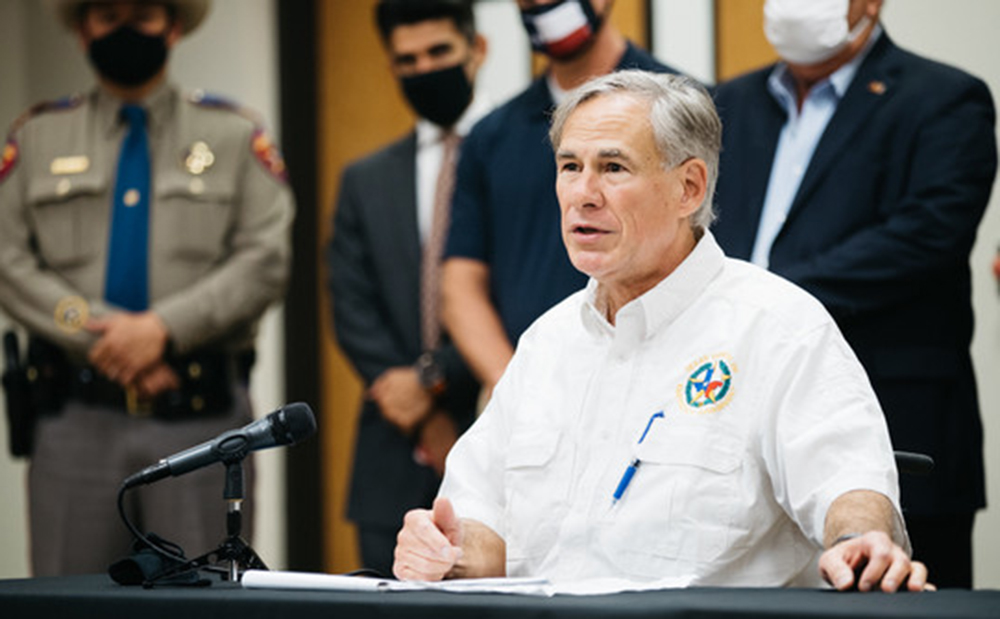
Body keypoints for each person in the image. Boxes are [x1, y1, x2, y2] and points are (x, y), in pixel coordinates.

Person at [393, 71, 933, 592]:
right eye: (569, 166)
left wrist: (861, 541)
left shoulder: (778, 326)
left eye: (613, 167)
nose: (582, 193)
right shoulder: (545, 345)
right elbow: (485, 527)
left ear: (688, 188)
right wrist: (445, 554)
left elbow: (848, 483)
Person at [0, 0, 293, 575]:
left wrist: (163, 330)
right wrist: (99, 336)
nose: (126, 28)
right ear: (83, 31)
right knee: (68, 608)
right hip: (75, 427)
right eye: (108, 15)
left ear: (174, 25)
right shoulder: (36, 137)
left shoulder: (234, 135)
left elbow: (266, 259)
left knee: (203, 603)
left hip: (201, 430)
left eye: (143, 14)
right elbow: (8, 258)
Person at [711, 0, 997, 588]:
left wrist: (760, 294)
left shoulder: (944, 97)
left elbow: (927, 236)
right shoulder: (726, 105)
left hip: (901, 421)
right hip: (738, 421)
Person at [440, 0, 677, 394]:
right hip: (525, 392)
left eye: (613, 166)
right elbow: (461, 286)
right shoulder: (492, 137)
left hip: (658, 387)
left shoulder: (683, 110)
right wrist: (520, 388)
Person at [327, 0, 487, 577]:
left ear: (478, 49)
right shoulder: (365, 178)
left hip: (489, 427)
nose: (425, 69)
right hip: (388, 454)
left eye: (439, 52)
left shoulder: (521, 157)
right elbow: (350, 304)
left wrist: (435, 376)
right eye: (407, 59)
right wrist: (417, 409)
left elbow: (524, 294)